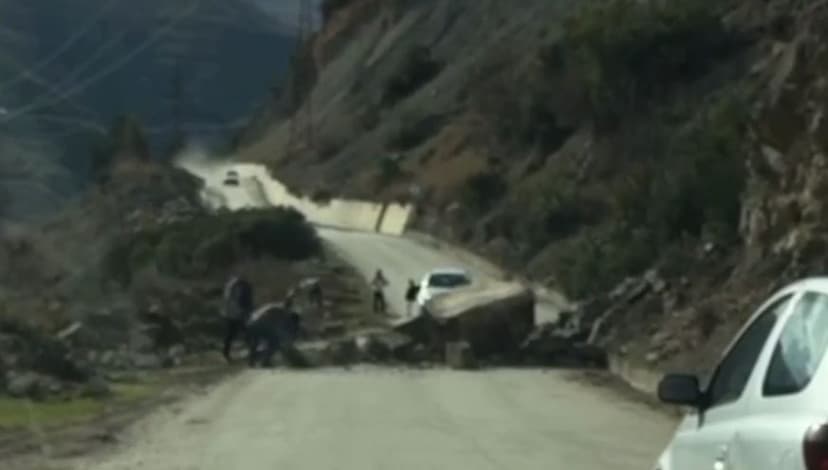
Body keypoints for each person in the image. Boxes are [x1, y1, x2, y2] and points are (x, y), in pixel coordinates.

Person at [221, 274, 254, 363]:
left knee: (232, 334)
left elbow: (230, 300)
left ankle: (226, 353)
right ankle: (252, 352)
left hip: (232, 314)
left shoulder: (232, 285)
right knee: (245, 332)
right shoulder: (237, 286)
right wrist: (243, 312)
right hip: (236, 314)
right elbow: (237, 300)